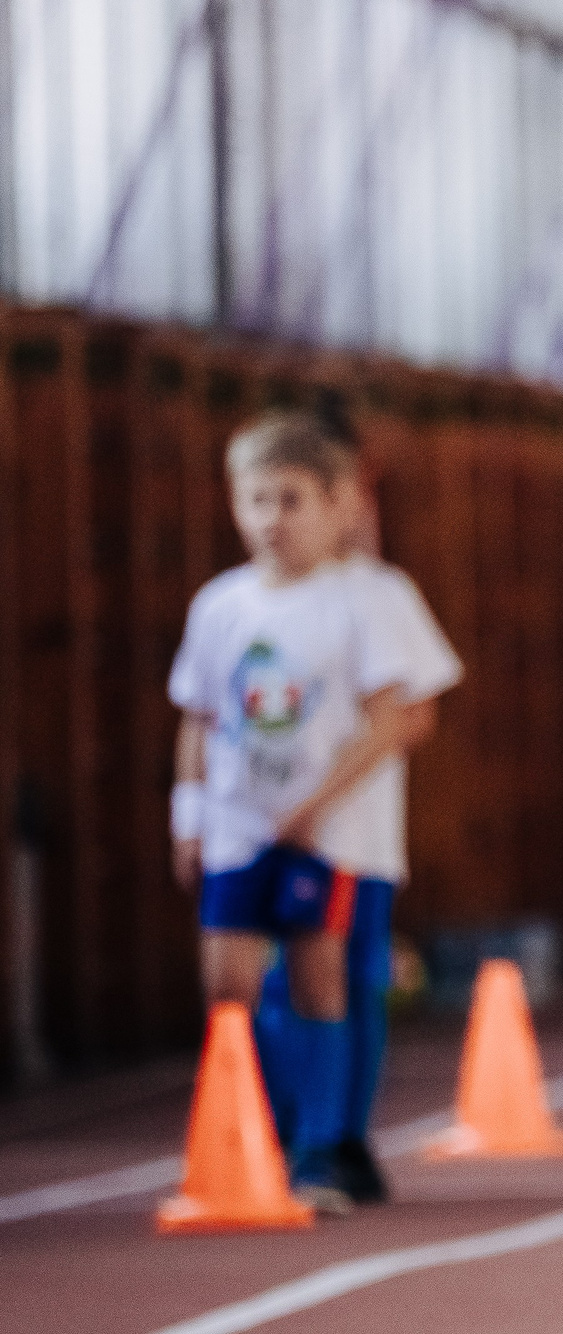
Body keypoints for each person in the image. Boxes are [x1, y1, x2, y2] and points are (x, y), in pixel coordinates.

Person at [169, 414, 416, 1213]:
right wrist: (189, 815)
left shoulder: (358, 601)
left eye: (290, 500)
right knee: (229, 984)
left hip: (324, 833)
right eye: (256, 500)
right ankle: (250, 1133)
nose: (272, 518)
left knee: (321, 980)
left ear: (333, 504)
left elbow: (394, 717)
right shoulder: (220, 605)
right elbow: (200, 716)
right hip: (238, 827)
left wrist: (314, 805)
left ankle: (322, 1147)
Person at [312, 454, 461, 1203]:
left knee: (348, 978)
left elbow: (414, 712)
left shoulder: (379, 592)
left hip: (353, 832)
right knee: (272, 984)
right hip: (264, 832)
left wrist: (324, 790)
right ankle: (288, 1129)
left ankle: (339, 1137)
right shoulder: (236, 599)